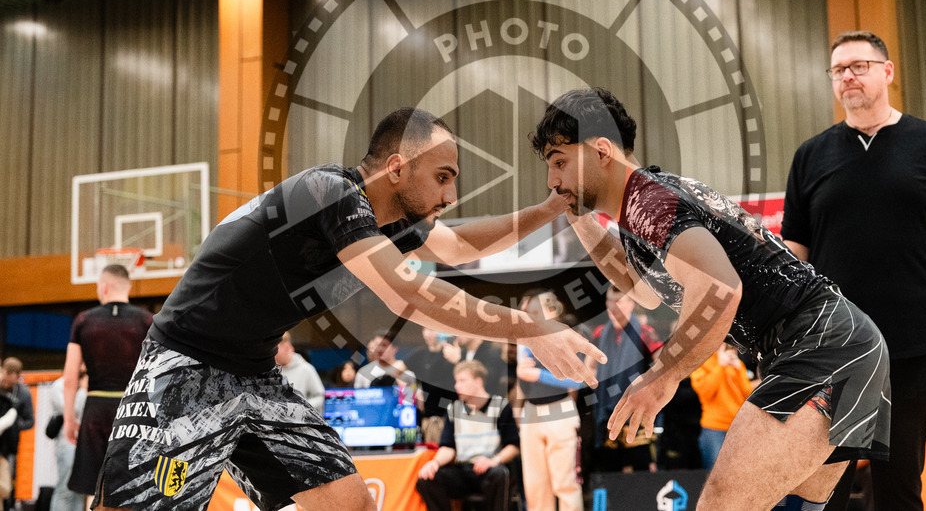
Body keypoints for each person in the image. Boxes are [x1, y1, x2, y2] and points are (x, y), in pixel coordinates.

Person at [94, 107, 604, 511]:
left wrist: (550, 210)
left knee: (350, 503)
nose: (451, 194)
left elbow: (460, 247)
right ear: (397, 168)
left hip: (255, 373)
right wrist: (532, 327)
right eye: (443, 177)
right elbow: (411, 294)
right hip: (186, 364)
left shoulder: (386, 225)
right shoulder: (329, 192)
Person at [531, 87, 891, 511]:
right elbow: (643, 291)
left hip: (822, 343)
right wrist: (579, 217)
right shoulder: (641, 210)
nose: (552, 181)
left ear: (601, 150)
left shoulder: (647, 201)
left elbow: (720, 290)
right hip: (836, 342)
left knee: (720, 505)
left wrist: (661, 376)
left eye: (560, 163)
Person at [782, 31, 926, 511]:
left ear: (887, 71)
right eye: (838, 70)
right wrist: (781, 342)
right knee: (819, 486)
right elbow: (792, 259)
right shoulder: (811, 157)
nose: (847, 76)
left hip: (915, 345)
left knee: (899, 485)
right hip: (835, 347)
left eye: (859, 66)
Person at [63, 263, 153, 505]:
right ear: (129, 287)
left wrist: (68, 418)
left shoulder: (84, 320)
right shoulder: (147, 321)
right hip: (134, 410)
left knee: (95, 486)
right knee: (136, 484)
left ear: (103, 287)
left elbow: (70, 377)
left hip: (95, 410)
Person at [415, 360, 520, 511]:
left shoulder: (501, 406)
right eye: (456, 381)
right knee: (426, 480)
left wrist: (493, 461)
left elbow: (514, 446)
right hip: (463, 471)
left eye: (462, 381)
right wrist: (435, 463)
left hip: (490, 469)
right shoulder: (454, 409)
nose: (457, 386)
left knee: (500, 474)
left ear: (478, 382)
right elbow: (448, 448)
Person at [517, 290, 584, 511]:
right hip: (531, 412)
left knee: (565, 483)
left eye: (535, 310)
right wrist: (518, 408)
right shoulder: (524, 338)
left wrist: (539, 375)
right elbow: (522, 375)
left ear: (552, 311)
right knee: (535, 486)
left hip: (559, 409)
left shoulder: (567, 335)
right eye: (526, 311)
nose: (528, 315)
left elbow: (578, 380)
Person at [588, 286, 660, 473]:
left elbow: (662, 366)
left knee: (641, 467)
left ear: (631, 304)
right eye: (609, 302)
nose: (613, 307)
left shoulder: (644, 332)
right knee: (611, 469)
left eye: (619, 302)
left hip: (637, 407)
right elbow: (589, 366)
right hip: (607, 410)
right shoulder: (600, 332)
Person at [690, 343, 753, 470]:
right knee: (716, 474)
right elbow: (706, 392)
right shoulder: (700, 363)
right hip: (714, 429)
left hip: (739, 427)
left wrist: (739, 369)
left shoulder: (736, 363)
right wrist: (720, 365)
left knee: (741, 472)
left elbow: (748, 394)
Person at [404, 327, 459, 445]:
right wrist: (415, 390)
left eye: (431, 329)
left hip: (451, 416)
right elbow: (398, 370)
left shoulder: (453, 353)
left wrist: (457, 359)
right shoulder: (419, 354)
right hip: (427, 418)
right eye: (425, 329)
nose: (428, 334)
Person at [48, 374, 87, 511]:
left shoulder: (88, 383)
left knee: (78, 492)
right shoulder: (59, 385)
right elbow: (70, 410)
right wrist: (82, 390)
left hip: (84, 444)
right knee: (65, 490)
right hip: (67, 444)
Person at [0, 357, 34, 510]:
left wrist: (15, 426)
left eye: (9, 377)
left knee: (6, 483)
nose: (6, 380)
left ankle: (9, 506)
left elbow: (30, 421)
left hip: (9, 446)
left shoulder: (23, 393)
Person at [276, 331, 326, 413]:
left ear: (288, 347)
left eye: (276, 350)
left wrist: (302, 407)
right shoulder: (271, 370)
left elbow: (320, 397)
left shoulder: (306, 369)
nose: (274, 355)